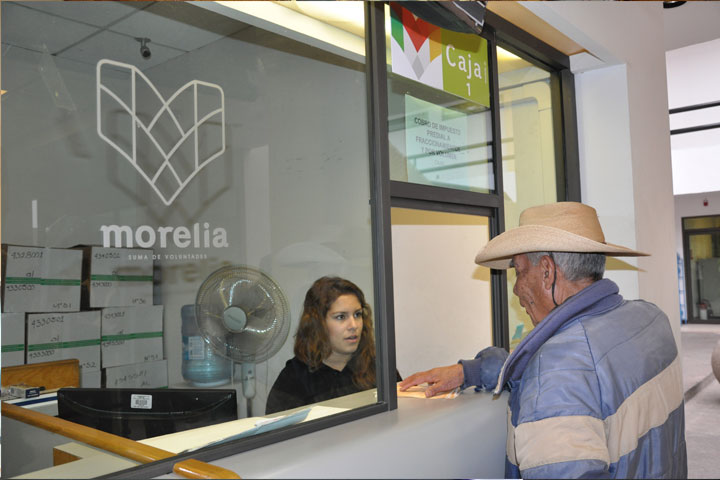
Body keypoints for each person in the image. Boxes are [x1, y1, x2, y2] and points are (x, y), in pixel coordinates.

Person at [399, 202, 687, 479]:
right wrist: (470, 371)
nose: (515, 289)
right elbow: (590, 373)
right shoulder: (651, 318)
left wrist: (541, 372)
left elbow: (563, 372)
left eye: (518, 271)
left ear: (547, 272)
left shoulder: (556, 369)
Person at [266, 276, 380, 414]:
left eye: (357, 314)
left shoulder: (377, 365)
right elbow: (277, 425)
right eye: (341, 317)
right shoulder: (294, 378)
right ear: (318, 323)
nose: (354, 325)